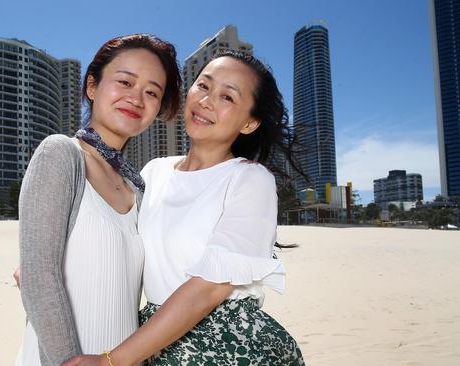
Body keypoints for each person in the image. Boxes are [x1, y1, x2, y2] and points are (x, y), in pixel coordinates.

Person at [63, 50, 305, 366]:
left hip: (224, 343)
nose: (206, 101)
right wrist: (58, 261)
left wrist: (113, 360)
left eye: (227, 97)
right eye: (203, 86)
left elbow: (208, 290)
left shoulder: (249, 179)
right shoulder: (153, 172)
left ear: (249, 122)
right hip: (151, 338)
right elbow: (116, 242)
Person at [14, 34, 181, 366]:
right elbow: (40, 274)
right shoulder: (62, 154)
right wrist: (68, 360)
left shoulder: (139, 189)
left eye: (151, 92)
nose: (136, 98)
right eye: (124, 82)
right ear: (92, 86)